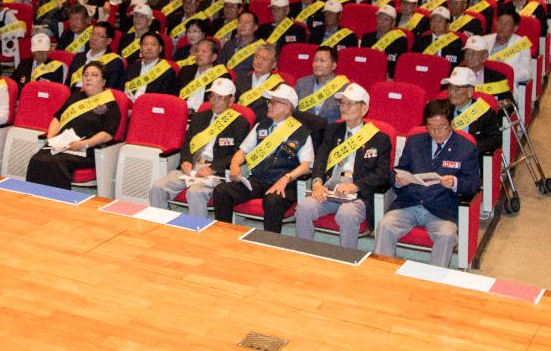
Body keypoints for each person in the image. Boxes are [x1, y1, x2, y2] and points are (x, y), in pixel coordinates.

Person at [374, 99, 480, 267]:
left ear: (451, 123)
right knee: (385, 225)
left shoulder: (466, 147)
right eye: (431, 127)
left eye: (441, 127)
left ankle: (435, 280)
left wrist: (454, 182)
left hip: (442, 209)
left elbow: (473, 185)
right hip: (409, 203)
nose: (436, 132)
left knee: (447, 235)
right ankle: (383, 273)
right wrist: (398, 180)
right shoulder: (415, 141)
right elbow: (399, 169)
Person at [294, 83, 392, 248]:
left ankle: (347, 260)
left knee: (347, 214)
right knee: (304, 208)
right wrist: (317, 182)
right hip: (329, 189)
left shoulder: (379, 138)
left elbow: (381, 174)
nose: (344, 108)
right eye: (342, 103)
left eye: (350, 104)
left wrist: (355, 186)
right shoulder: (333, 130)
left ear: (364, 108)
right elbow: (321, 159)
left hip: (357, 194)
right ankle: (302, 254)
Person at [211, 83, 314, 233]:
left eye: (274, 102)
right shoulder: (262, 126)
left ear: (287, 107)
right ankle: (225, 234)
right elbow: (242, 152)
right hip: (257, 180)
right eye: (269, 102)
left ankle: (270, 243)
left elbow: (306, 165)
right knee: (222, 191)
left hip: (284, 183)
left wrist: (286, 178)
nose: (269, 105)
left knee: (272, 201)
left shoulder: (301, 132)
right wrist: (234, 165)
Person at [148, 78, 250, 219]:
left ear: (231, 100)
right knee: (158, 187)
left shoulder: (240, 123)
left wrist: (212, 168)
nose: (215, 101)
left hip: (216, 172)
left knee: (195, 192)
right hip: (192, 167)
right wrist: (186, 160)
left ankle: (197, 230)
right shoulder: (199, 117)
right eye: (212, 96)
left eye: (221, 97)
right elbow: (187, 144)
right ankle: (160, 223)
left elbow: (237, 154)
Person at [25, 62, 121, 190]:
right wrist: (51, 138)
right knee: (36, 160)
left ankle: (59, 200)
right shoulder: (76, 96)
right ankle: (34, 197)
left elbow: (107, 134)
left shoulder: (110, 105)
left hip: (87, 150)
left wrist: (84, 144)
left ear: (103, 81)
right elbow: (58, 118)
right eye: (86, 75)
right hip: (61, 145)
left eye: (94, 75)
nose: (88, 78)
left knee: (56, 163)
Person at [66, 20, 125, 90]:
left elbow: (110, 90)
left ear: (108, 41)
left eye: (99, 36)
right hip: (73, 95)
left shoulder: (114, 62)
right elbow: (68, 83)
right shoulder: (79, 57)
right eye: (93, 34)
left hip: (95, 98)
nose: (94, 38)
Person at [121, 32, 177, 99]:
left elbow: (165, 99)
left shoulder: (167, 72)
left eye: (153, 45)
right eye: (145, 44)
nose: (149, 48)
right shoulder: (131, 68)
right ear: (141, 49)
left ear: (160, 49)